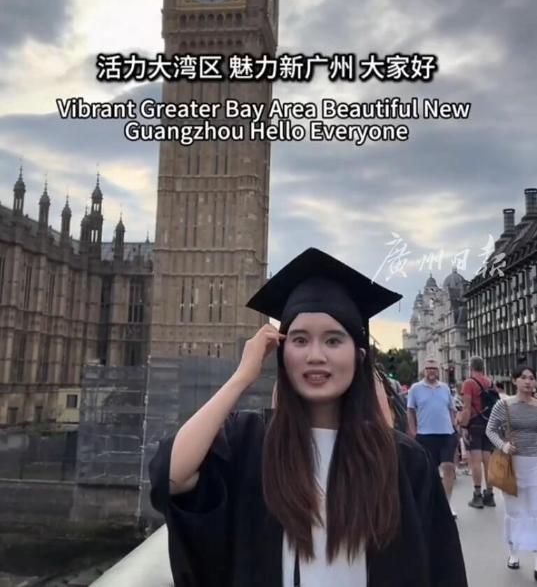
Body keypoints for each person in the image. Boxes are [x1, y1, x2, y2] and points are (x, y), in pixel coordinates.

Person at [149, 248, 467, 587]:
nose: (316, 355)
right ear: (281, 353)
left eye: (333, 340)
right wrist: (242, 376)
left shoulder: (404, 460)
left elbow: (441, 570)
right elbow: (172, 476)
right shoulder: (250, 442)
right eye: (300, 340)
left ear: (358, 356)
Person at [486, 365, 537, 577]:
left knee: (535, 512)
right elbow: (490, 430)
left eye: (532, 378)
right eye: (523, 377)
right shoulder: (504, 405)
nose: (528, 381)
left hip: (535, 464)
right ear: (514, 381)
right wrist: (503, 446)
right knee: (514, 512)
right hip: (512, 465)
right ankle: (513, 553)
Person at [406, 358, 458, 517]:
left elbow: (451, 409)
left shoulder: (445, 388)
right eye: (428, 368)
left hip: (446, 434)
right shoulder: (416, 388)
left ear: (438, 371)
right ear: (424, 371)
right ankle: (430, 504)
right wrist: (413, 431)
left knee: (449, 467)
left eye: (434, 368)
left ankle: (447, 504)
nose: (431, 371)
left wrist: (454, 427)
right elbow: (410, 410)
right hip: (425, 435)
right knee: (430, 472)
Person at [460, 356, 498, 508]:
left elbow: (467, 407)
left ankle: (477, 496)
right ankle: (490, 495)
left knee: (475, 460)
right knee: (488, 460)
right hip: (489, 424)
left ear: (471, 367)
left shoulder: (469, 383)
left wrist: (464, 427)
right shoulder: (490, 382)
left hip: (475, 423)